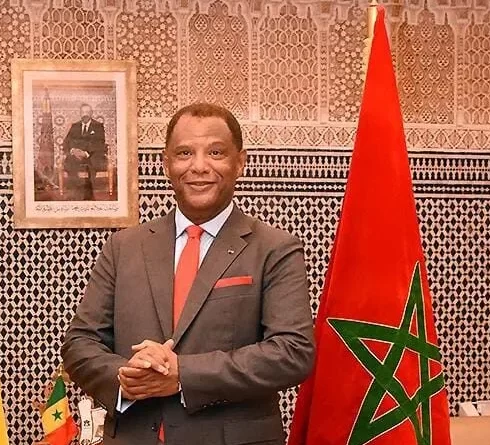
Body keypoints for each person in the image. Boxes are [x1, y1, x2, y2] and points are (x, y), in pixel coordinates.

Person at [61, 103, 315, 445]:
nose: (199, 166)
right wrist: (124, 379)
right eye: (184, 153)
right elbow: (79, 344)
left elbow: (292, 352)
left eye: (215, 152)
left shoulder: (275, 249)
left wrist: (183, 374)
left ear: (240, 162)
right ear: (166, 164)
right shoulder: (123, 247)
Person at [62, 103, 107, 200]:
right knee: (69, 162)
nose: (85, 114)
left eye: (87, 112)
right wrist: (73, 150)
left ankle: (89, 194)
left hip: (91, 155)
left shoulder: (98, 126)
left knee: (92, 163)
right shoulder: (75, 126)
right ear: (80, 113)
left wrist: (85, 153)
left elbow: (99, 143)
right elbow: (66, 142)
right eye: (83, 112)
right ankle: (75, 192)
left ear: (91, 113)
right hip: (76, 155)